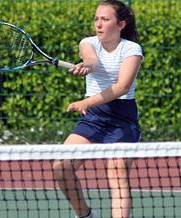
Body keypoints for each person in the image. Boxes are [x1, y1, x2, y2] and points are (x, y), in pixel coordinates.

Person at [53, 0, 143, 218]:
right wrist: (88, 66)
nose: (98, 24)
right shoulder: (88, 42)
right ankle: (85, 215)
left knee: (117, 171)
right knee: (60, 167)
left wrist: (85, 103)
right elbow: (92, 60)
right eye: (96, 19)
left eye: (105, 19)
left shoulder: (132, 49)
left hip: (122, 118)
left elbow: (122, 87)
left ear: (120, 24)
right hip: (93, 119)